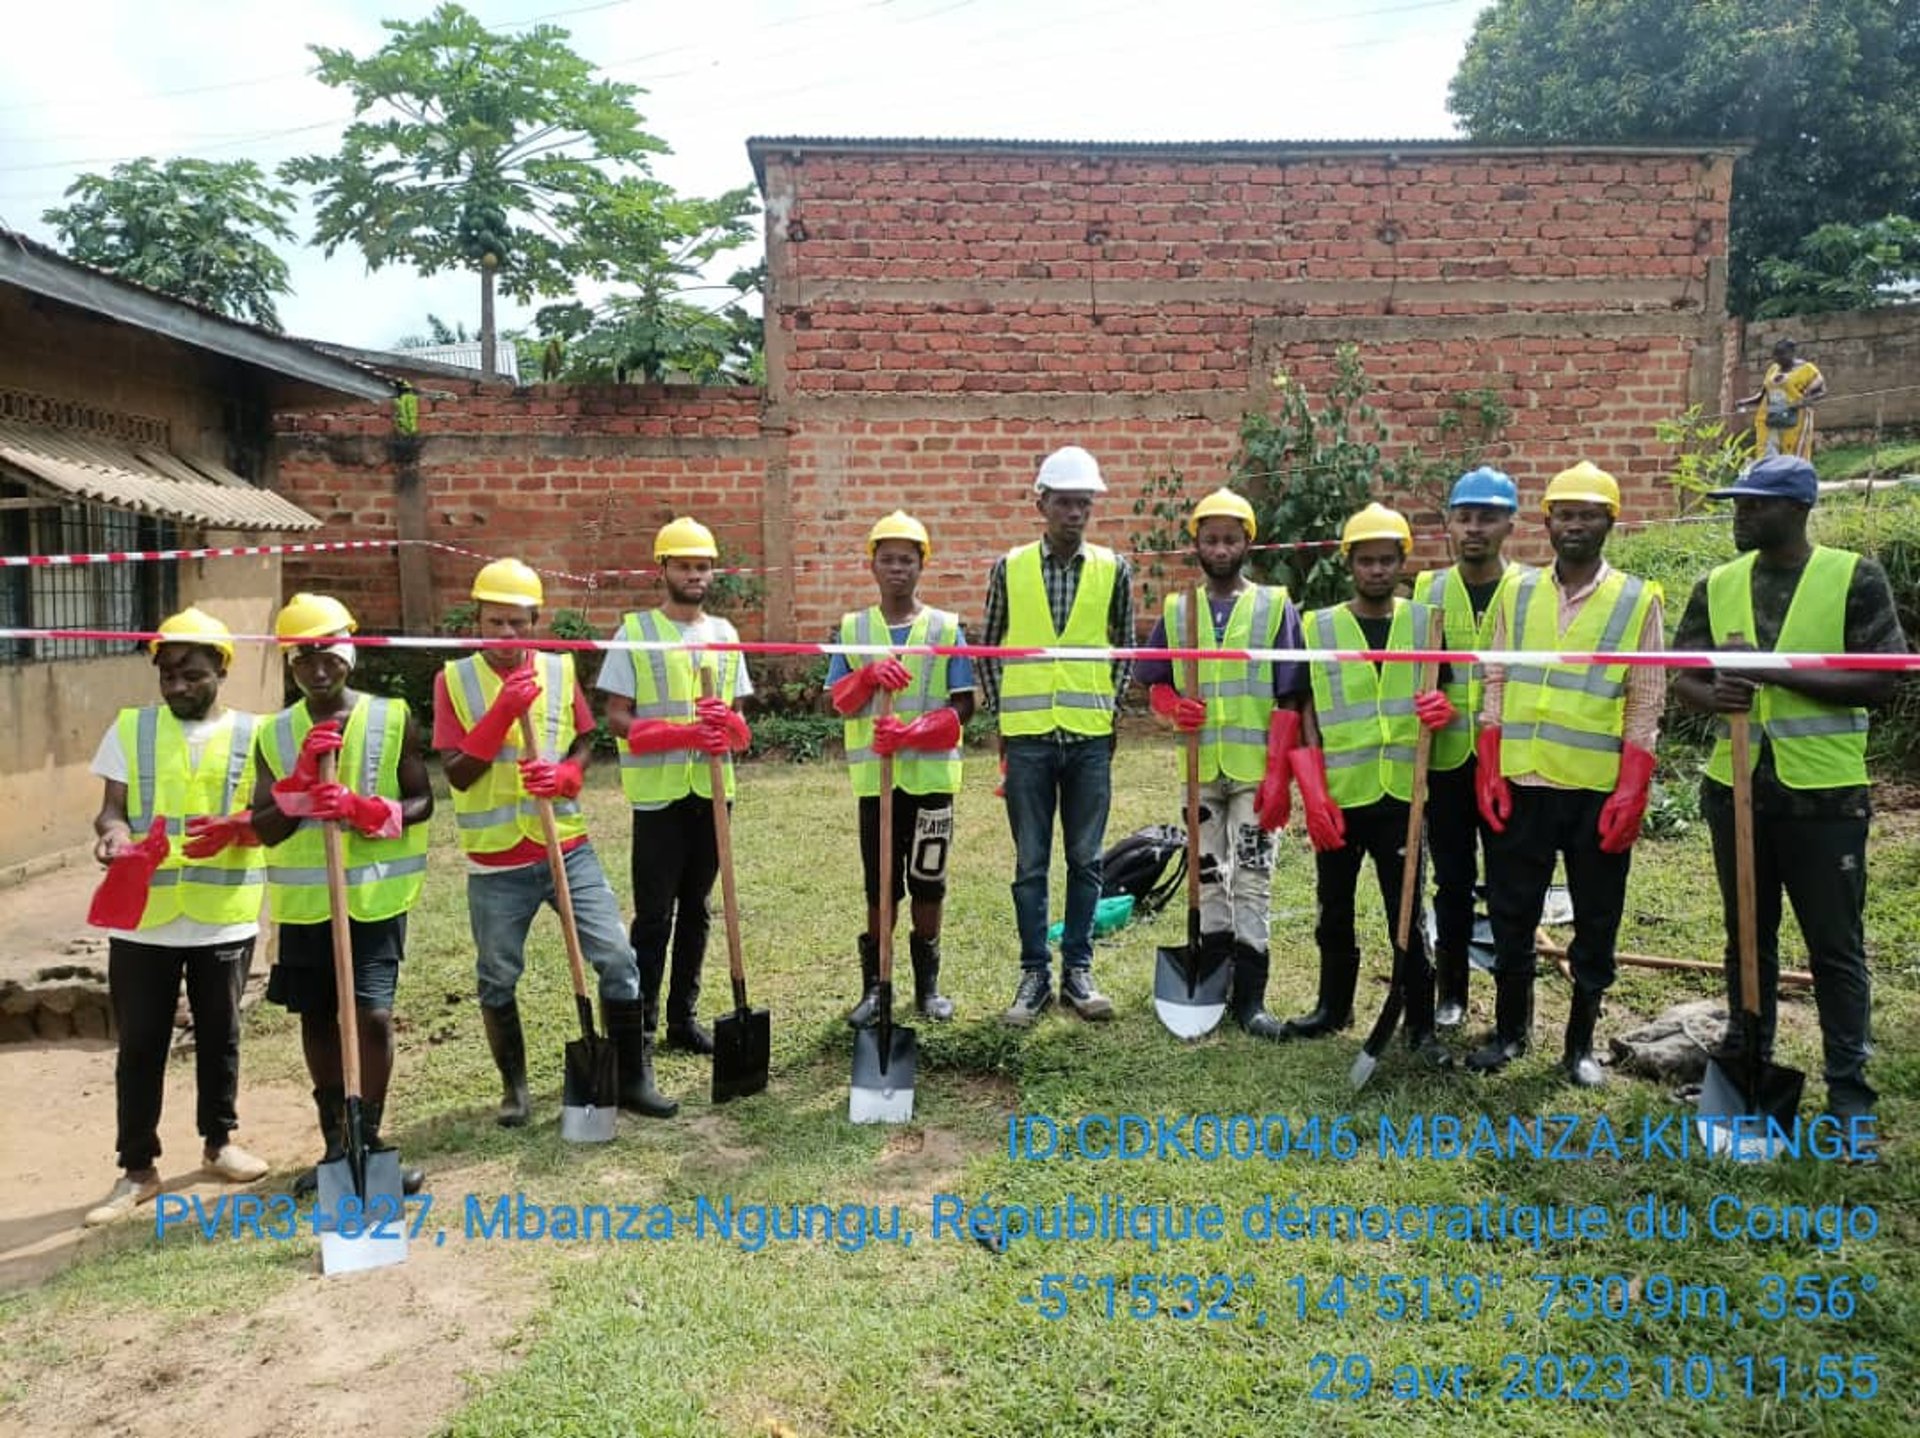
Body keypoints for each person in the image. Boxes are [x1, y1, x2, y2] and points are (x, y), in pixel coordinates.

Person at [1671, 455, 1906, 1122]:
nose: (1740, 515)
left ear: (1797, 509)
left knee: (1835, 947)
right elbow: (1685, 674)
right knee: (1747, 935)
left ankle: (1850, 1098)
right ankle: (1747, 1066)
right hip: (1735, 788)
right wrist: (1713, 694)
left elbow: (1882, 681)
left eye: (1755, 504)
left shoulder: (1852, 577)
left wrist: (1773, 673)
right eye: (1737, 504)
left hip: (1824, 795)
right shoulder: (1716, 584)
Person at [436, 559, 676, 1123]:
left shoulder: (559, 671)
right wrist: (501, 713)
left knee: (618, 956)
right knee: (498, 973)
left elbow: (585, 739)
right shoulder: (454, 680)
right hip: (496, 862)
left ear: (535, 621)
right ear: (477, 620)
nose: (507, 635)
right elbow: (458, 772)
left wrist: (571, 774)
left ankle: (633, 1079)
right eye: (495, 622)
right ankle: (515, 1090)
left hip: (566, 846)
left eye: (519, 623)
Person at [1471, 463, 1665, 1086]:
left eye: (1588, 514)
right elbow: (1494, 677)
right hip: (1522, 784)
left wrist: (1633, 786)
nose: (1575, 524)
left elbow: (1645, 698)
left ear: (1610, 520)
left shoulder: (1638, 599)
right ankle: (1510, 1031)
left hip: (1595, 789)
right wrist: (1490, 766)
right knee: (1510, 913)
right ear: (1547, 521)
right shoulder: (1517, 591)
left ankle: (1578, 1043)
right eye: (1565, 513)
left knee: (1597, 917)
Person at [81, 608, 271, 1225]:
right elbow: (110, 812)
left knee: (221, 1037)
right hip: (145, 917)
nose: (177, 687)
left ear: (221, 668)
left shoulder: (254, 734)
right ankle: (137, 1169)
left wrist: (242, 827)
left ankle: (221, 1143)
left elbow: (268, 816)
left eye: (191, 674)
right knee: (140, 1044)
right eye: (167, 676)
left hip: (222, 914)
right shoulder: (131, 729)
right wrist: (111, 837)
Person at [249, 593, 432, 1194]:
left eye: (327, 653)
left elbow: (421, 800)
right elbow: (263, 824)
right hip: (307, 908)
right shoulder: (274, 734)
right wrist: (299, 788)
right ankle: (335, 1145)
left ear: (349, 649)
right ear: (290, 665)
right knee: (319, 1020)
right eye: (304, 659)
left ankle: (369, 1138)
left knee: (373, 1016)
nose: (318, 669)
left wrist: (364, 810)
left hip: (374, 902)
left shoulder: (391, 716)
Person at [1134, 487, 1308, 1039]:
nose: (1221, 547)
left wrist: (1281, 775)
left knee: (1253, 877)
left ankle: (1251, 998)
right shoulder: (1177, 609)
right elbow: (1152, 683)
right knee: (1208, 877)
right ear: (1197, 546)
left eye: (1231, 538)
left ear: (1247, 543)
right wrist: (1170, 708)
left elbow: (1290, 697)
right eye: (1210, 538)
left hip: (1256, 772)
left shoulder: (1275, 607)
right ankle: (1210, 981)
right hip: (1201, 772)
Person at [1287, 504, 1455, 1067]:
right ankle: (1332, 1008)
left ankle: (1421, 1022)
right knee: (1333, 905)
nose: (1377, 570)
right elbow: (1306, 707)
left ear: (1402, 563)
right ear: (1349, 564)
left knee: (1407, 912)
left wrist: (1442, 709)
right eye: (1366, 561)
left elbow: (1444, 696)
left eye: (1387, 560)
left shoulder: (1427, 623)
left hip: (1403, 797)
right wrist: (1314, 791)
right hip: (1342, 792)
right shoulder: (1319, 626)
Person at [978, 444, 1134, 1027]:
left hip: (1090, 736)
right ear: (1040, 502)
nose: (1075, 513)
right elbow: (988, 645)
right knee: (1031, 862)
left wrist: (1112, 704)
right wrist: (1001, 711)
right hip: (1029, 738)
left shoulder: (1113, 569)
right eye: (1065, 502)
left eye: (1084, 503)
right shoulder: (1010, 567)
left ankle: (1078, 971)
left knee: (1087, 859)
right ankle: (1033, 974)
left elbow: (1125, 646)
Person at [598, 517, 753, 1057]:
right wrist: (680, 731)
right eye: (684, 565)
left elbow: (739, 726)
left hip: (712, 792)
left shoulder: (725, 636)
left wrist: (725, 724)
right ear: (661, 568)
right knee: (654, 913)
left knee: (699, 908)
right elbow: (617, 717)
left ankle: (681, 1020)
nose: (695, 574)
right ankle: (639, 1025)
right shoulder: (634, 633)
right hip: (659, 795)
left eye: (703, 566)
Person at [827, 512, 975, 1025]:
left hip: (932, 780)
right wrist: (866, 675)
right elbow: (839, 703)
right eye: (887, 559)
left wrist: (911, 733)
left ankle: (927, 988)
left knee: (929, 882)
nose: (897, 568)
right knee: (881, 886)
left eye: (906, 560)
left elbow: (964, 709)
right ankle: (876, 986)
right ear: (872, 565)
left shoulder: (947, 628)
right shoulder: (852, 629)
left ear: (921, 565)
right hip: (877, 786)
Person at [1410, 468, 1528, 1029]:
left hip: (1511, 762)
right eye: (1464, 517)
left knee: (1510, 884)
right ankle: (1451, 991)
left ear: (1511, 523)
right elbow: (1421, 670)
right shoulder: (1429, 589)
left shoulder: (1530, 590)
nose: (1474, 528)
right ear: (1449, 525)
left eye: (1487, 517)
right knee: (1451, 879)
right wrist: (1428, 699)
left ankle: (1513, 1005)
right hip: (1449, 760)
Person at [1738, 338, 1826, 460]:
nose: (1777, 357)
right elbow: (1763, 395)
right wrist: (1745, 402)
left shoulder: (1807, 369)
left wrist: (1804, 401)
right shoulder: (1773, 369)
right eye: (1775, 354)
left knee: (1792, 454)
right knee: (1768, 453)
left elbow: (1822, 391)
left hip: (1795, 419)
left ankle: (1794, 477)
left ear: (1792, 352)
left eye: (1781, 353)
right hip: (1772, 418)